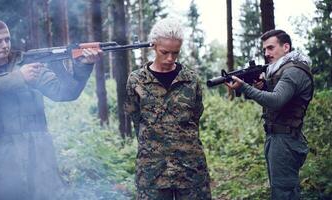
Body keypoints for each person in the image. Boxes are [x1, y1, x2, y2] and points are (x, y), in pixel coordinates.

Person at [0, 17, 102, 200]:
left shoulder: (29, 65)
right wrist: (19, 78)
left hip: (38, 159)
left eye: (7, 39)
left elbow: (64, 93)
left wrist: (84, 66)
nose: (5, 45)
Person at [125, 18, 211, 200]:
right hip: (152, 170)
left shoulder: (191, 80)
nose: (170, 58)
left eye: (175, 53)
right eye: (164, 52)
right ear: (154, 46)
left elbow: (196, 116)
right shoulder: (136, 80)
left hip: (190, 169)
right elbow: (136, 118)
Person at [226, 29, 314, 199]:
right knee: (281, 190)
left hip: (286, 140)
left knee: (284, 193)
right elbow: (280, 99)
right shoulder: (280, 70)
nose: (267, 53)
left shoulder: (293, 72)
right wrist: (263, 87)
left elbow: (276, 101)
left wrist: (244, 86)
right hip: (277, 138)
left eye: (271, 48)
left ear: (286, 47)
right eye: (265, 49)